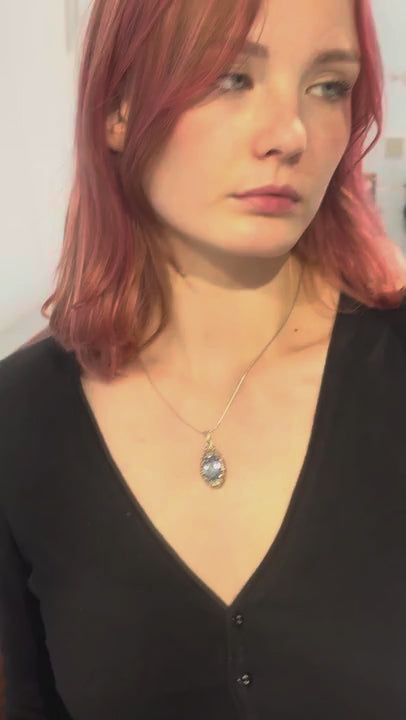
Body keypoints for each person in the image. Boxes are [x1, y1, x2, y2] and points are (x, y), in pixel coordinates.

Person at [1, 0, 406, 717]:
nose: (291, 134)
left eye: (328, 86)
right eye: (230, 78)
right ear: (118, 108)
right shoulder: (21, 420)